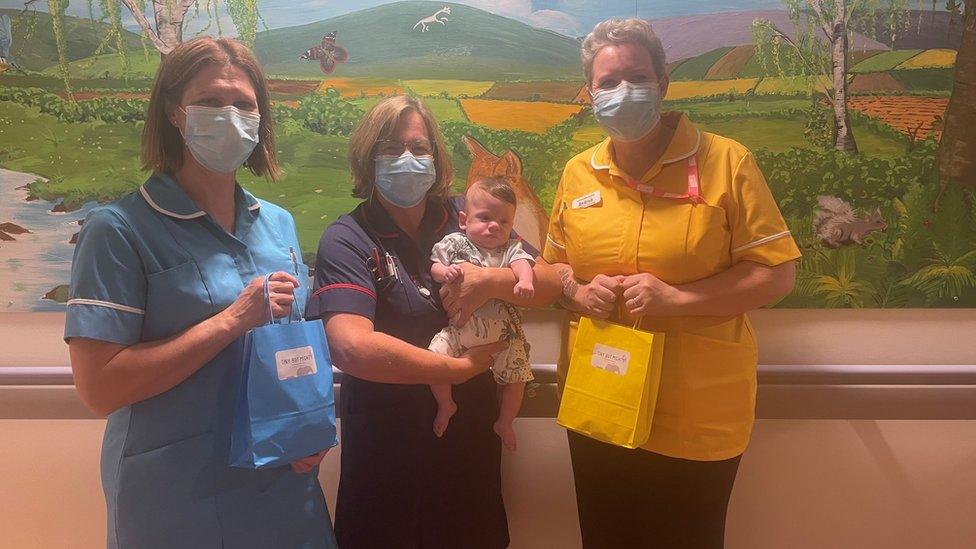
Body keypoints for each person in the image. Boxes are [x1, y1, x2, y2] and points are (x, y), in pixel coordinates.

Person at [64, 37, 336, 549]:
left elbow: (290, 349)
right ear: (173, 112)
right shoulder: (119, 230)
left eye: (244, 104)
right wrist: (230, 321)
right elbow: (99, 387)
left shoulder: (278, 225)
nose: (230, 115)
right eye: (211, 102)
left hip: (283, 486)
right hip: (174, 495)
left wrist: (310, 429)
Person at [542, 19, 800, 548]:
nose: (621, 91)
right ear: (589, 92)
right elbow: (553, 269)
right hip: (602, 401)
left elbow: (776, 272)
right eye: (607, 82)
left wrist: (678, 299)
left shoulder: (727, 162)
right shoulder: (577, 174)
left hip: (696, 413)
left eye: (636, 77)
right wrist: (575, 291)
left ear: (663, 82)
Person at [308, 95, 561, 548]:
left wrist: (489, 279)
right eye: (391, 148)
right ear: (368, 159)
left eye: (420, 148)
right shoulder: (348, 238)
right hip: (388, 445)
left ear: (437, 157)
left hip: (469, 438)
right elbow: (351, 347)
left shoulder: (469, 215)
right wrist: (458, 370)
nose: (408, 159)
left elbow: (550, 282)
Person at [428, 176, 536, 451]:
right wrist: (445, 272)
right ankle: (446, 404)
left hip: (503, 337)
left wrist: (524, 281)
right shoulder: (454, 242)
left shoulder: (509, 248)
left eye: (503, 222)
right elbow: (434, 266)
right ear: (464, 220)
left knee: (518, 378)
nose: (494, 226)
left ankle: (505, 422)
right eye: (485, 217)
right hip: (459, 331)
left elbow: (523, 263)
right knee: (433, 360)